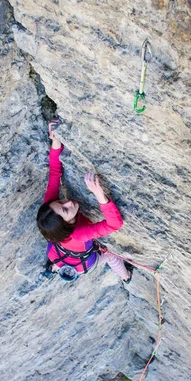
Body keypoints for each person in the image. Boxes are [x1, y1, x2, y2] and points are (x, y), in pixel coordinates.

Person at [36, 120, 133, 282]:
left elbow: (54, 174)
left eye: (61, 202)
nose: (68, 203)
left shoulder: (51, 211)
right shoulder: (79, 234)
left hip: (57, 256)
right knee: (110, 255)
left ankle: (54, 267)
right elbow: (114, 225)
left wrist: (56, 141)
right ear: (66, 224)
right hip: (83, 265)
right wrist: (99, 194)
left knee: (60, 260)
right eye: (66, 210)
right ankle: (126, 276)